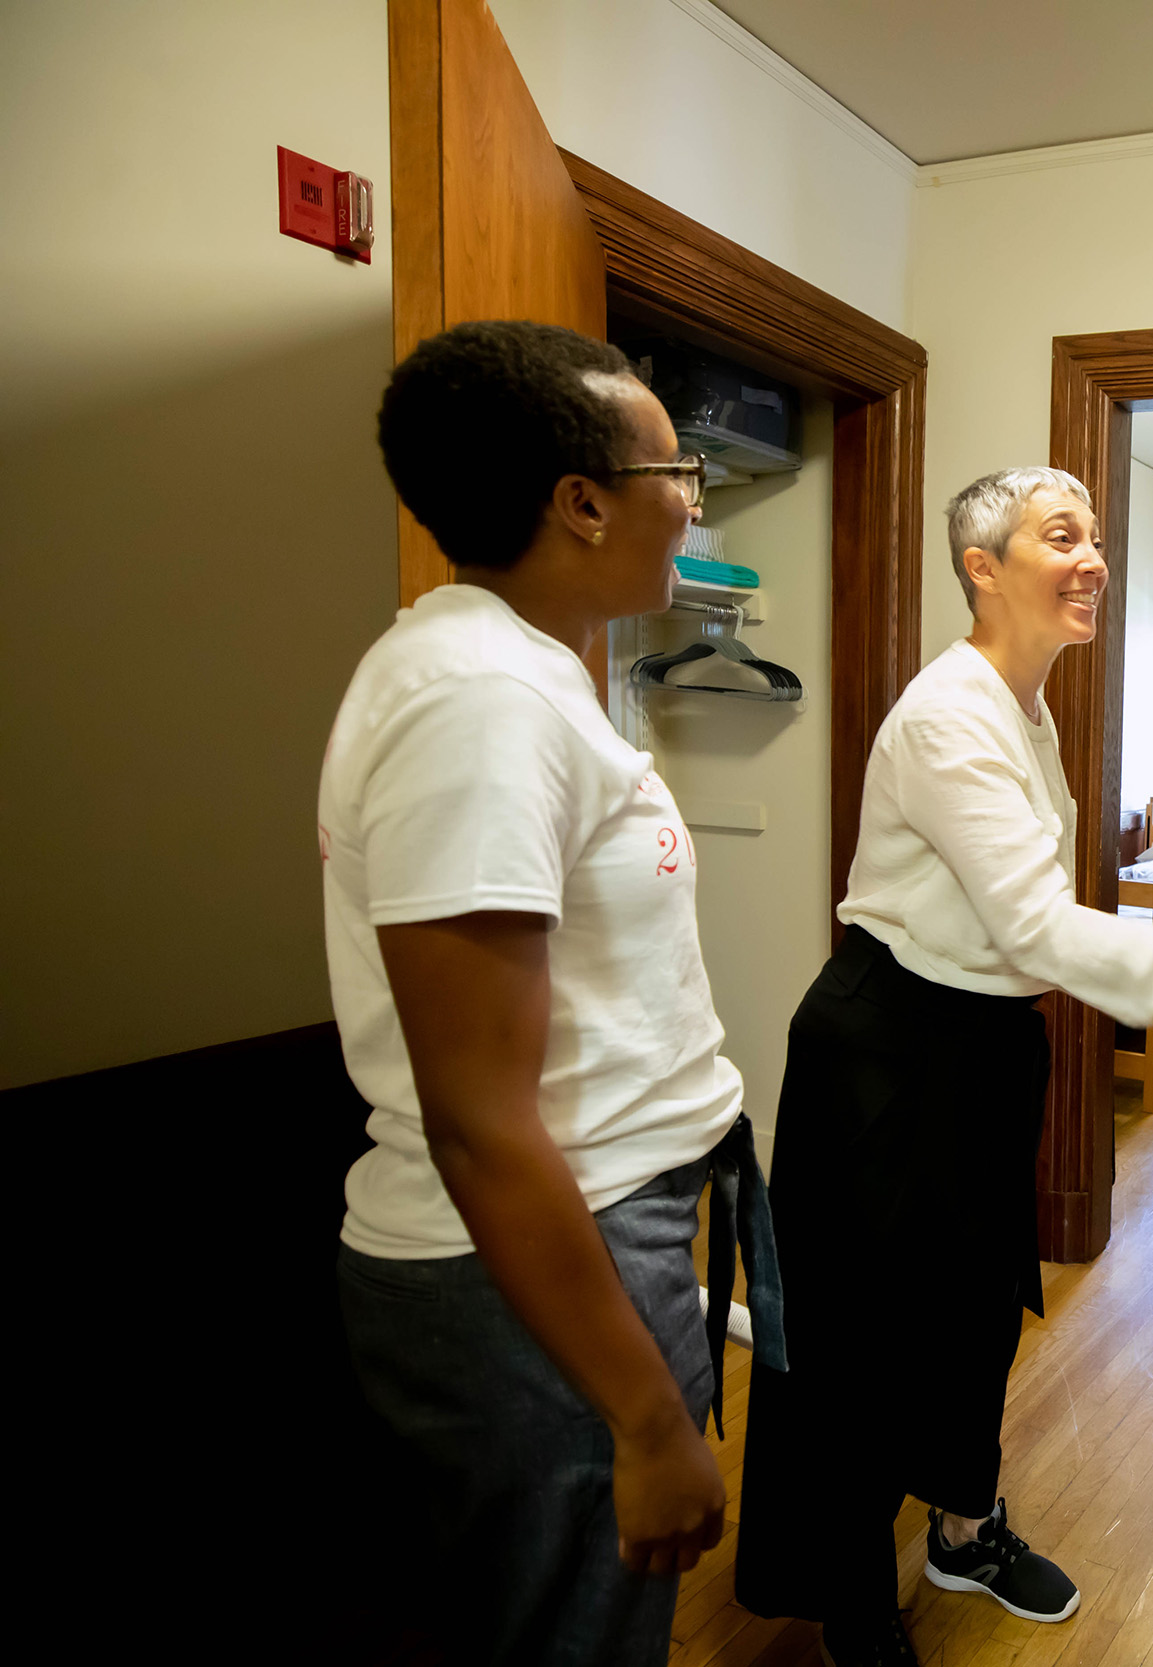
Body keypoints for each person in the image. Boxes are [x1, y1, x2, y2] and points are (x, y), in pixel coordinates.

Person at [735, 467, 1153, 1667]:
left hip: (984, 1041)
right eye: (1063, 536)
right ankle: (850, 1597)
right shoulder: (946, 714)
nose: (1094, 558)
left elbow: (1030, 935)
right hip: (886, 1049)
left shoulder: (1031, 705)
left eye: (1098, 539)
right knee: (859, 1340)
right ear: (982, 564)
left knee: (972, 1309)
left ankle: (964, 1524)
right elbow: (1037, 925)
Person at [328, 319, 779, 1665]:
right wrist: (648, 1420)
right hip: (543, 1262)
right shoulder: (479, 701)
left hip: (587, 1234)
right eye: (671, 470)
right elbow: (476, 1115)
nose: (693, 498)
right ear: (582, 502)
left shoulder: (527, 673)